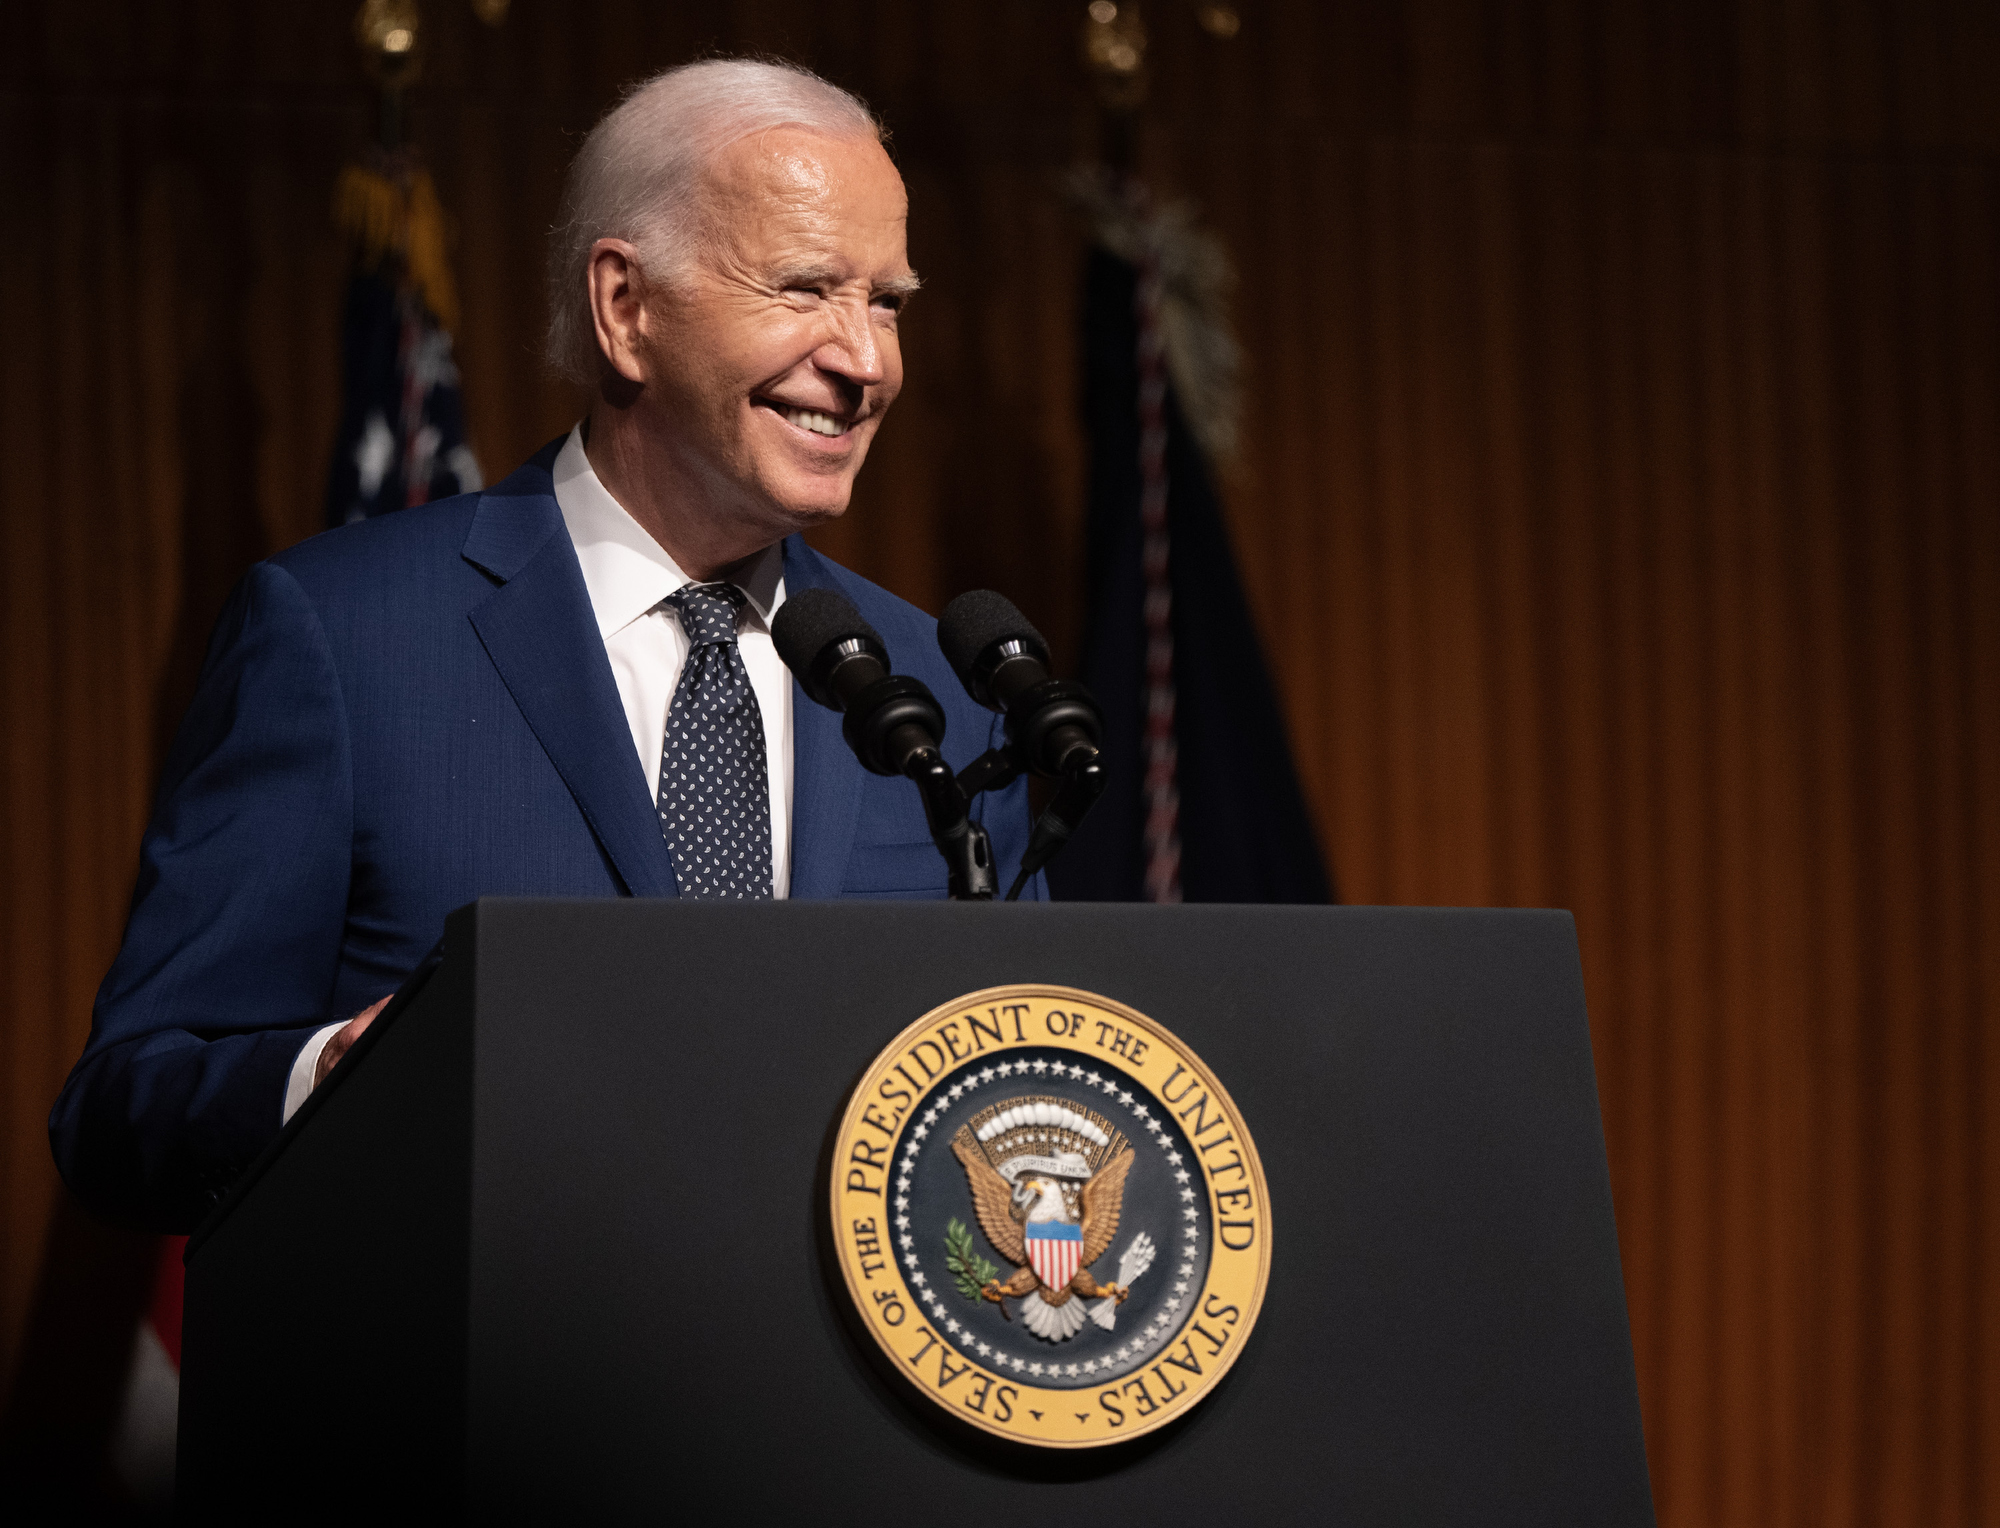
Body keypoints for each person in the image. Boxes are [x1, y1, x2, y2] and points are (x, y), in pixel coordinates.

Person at [50, 59, 1041, 1230]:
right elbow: (124, 1110)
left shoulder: (939, 696)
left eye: (885, 301)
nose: (866, 361)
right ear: (626, 308)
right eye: (804, 287)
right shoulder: (344, 641)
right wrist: (334, 1080)